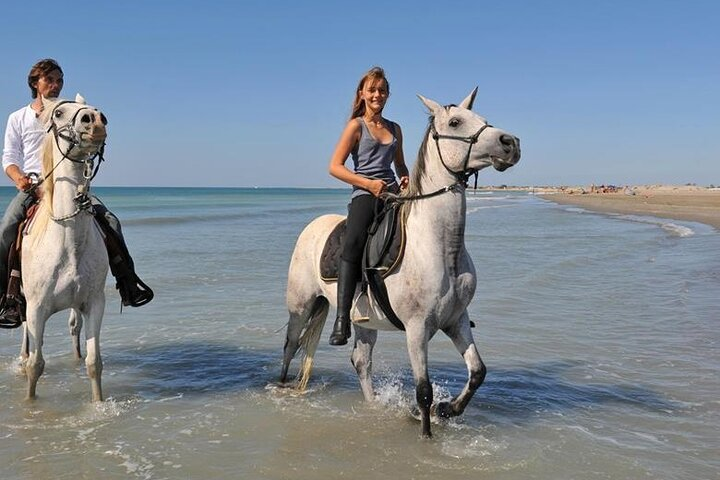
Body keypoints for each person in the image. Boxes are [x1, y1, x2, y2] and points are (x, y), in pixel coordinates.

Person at [0, 58, 153, 329]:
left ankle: (128, 284)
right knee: (6, 228)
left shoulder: (69, 112)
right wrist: (19, 178)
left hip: (70, 185)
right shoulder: (18, 118)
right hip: (35, 186)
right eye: (50, 80)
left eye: (60, 80)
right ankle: (8, 297)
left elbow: (86, 141)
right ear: (35, 83)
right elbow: (9, 158)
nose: (56, 85)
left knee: (111, 222)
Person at [327, 66, 409, 346]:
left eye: (382, 90)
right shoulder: (355, 126)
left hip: (392, 194)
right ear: (362, 94)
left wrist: (405, 177)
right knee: (352, 244)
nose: (377, 94)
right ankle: (341, 319)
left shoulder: (395, 128)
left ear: (388, 95)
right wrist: (368, 184)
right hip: (365, 194)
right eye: (372, 90)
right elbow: (335, 168)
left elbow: (399, 165)